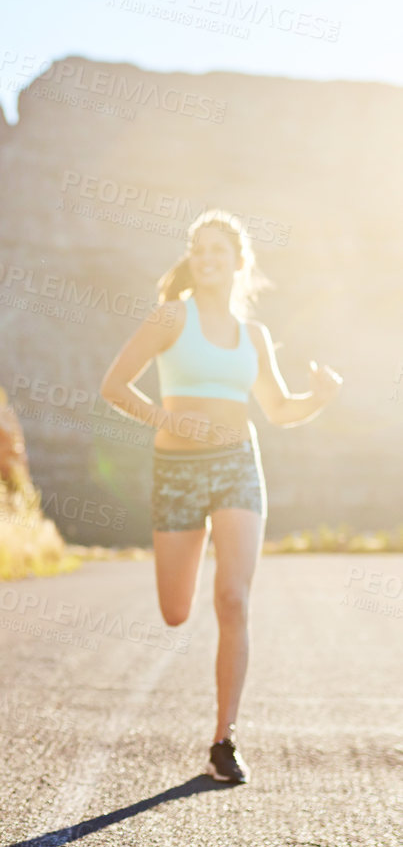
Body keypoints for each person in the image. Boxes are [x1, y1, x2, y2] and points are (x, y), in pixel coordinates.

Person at [100, 210, 341, 784]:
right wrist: (165, 419)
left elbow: (279, 410)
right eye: (199, 249)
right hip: (177, 469)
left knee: (233, 598)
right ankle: (193, 559)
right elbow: (113, 385)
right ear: (192, 259)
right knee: (175, 611)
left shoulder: (254, 336)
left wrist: (321, 397)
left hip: (238, 464)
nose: (208, 259)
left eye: (219, 250)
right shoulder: (169, 317)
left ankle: (224, 739)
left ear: (239, 262)